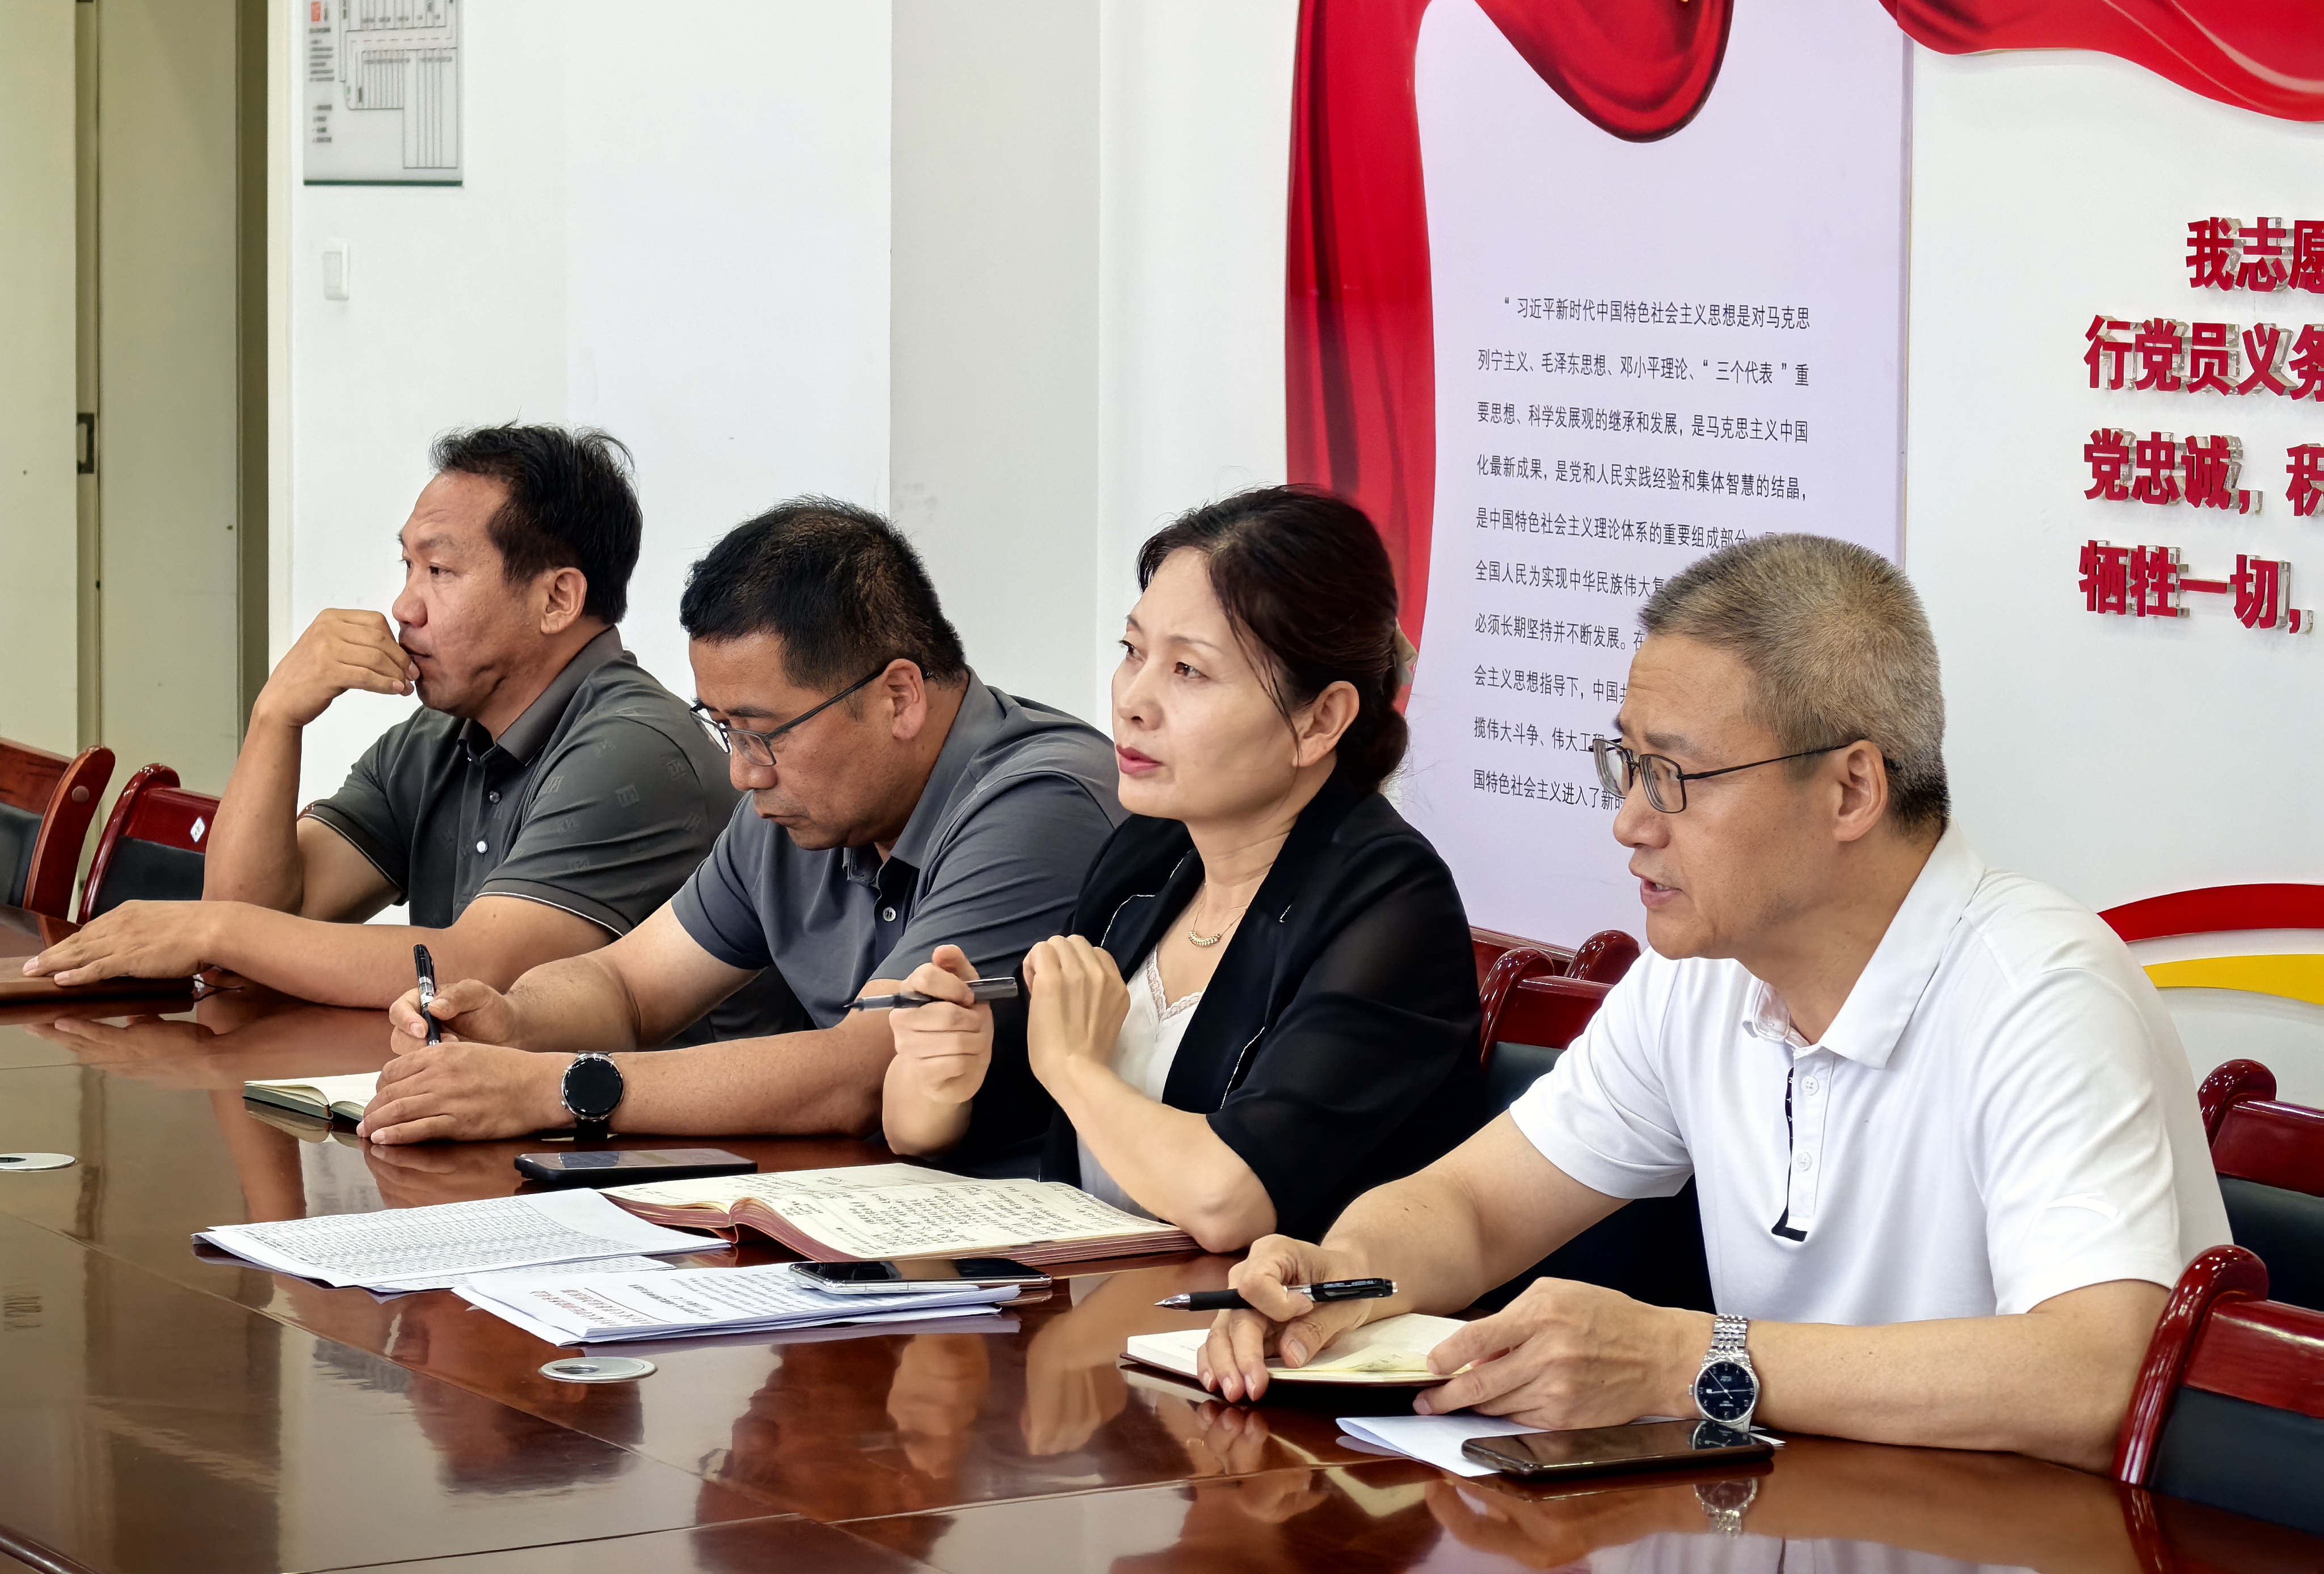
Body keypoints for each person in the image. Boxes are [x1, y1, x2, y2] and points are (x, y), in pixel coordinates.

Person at [1202, 533, 2229, 1474]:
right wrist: (1338, 1279)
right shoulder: (1702, 970)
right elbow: (1474, 1207)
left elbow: (2092, 1377)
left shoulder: (2041, 991)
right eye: (1627, 763)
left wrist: (1687, 1358)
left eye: (1674, 775)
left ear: (1851, 789)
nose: (1630, 821)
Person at [357, 499, 1123, 1144]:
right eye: (725, 729)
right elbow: (628, 986)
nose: (743, 772)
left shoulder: (1041, 801)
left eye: (762, 732)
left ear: (898, 697)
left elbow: (866, 1070)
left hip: (1044, 1250)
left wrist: (550, 1087)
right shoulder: (796, 803)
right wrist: (512, 1022)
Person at [880, 487, 1485, 1250]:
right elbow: (919, 1130)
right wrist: (941, 1068)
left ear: (1320, 718)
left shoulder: (1392, 903)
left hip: (1269, 1319)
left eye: (1189, 671)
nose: (1133, 701)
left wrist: (1071, 1066)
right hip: (1101, 1303)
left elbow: (1231, 1199)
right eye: (1133, 651)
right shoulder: (1149, 855)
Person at [26, 426, 726, 1007]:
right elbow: (263, 927)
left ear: (557, 600)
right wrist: (275, 716)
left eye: (439, 572)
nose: (404, 607)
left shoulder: (634, 751)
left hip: (670, 1132)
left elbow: (480, 972)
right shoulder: (436, 738)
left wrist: (212, 929)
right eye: (407, 567)